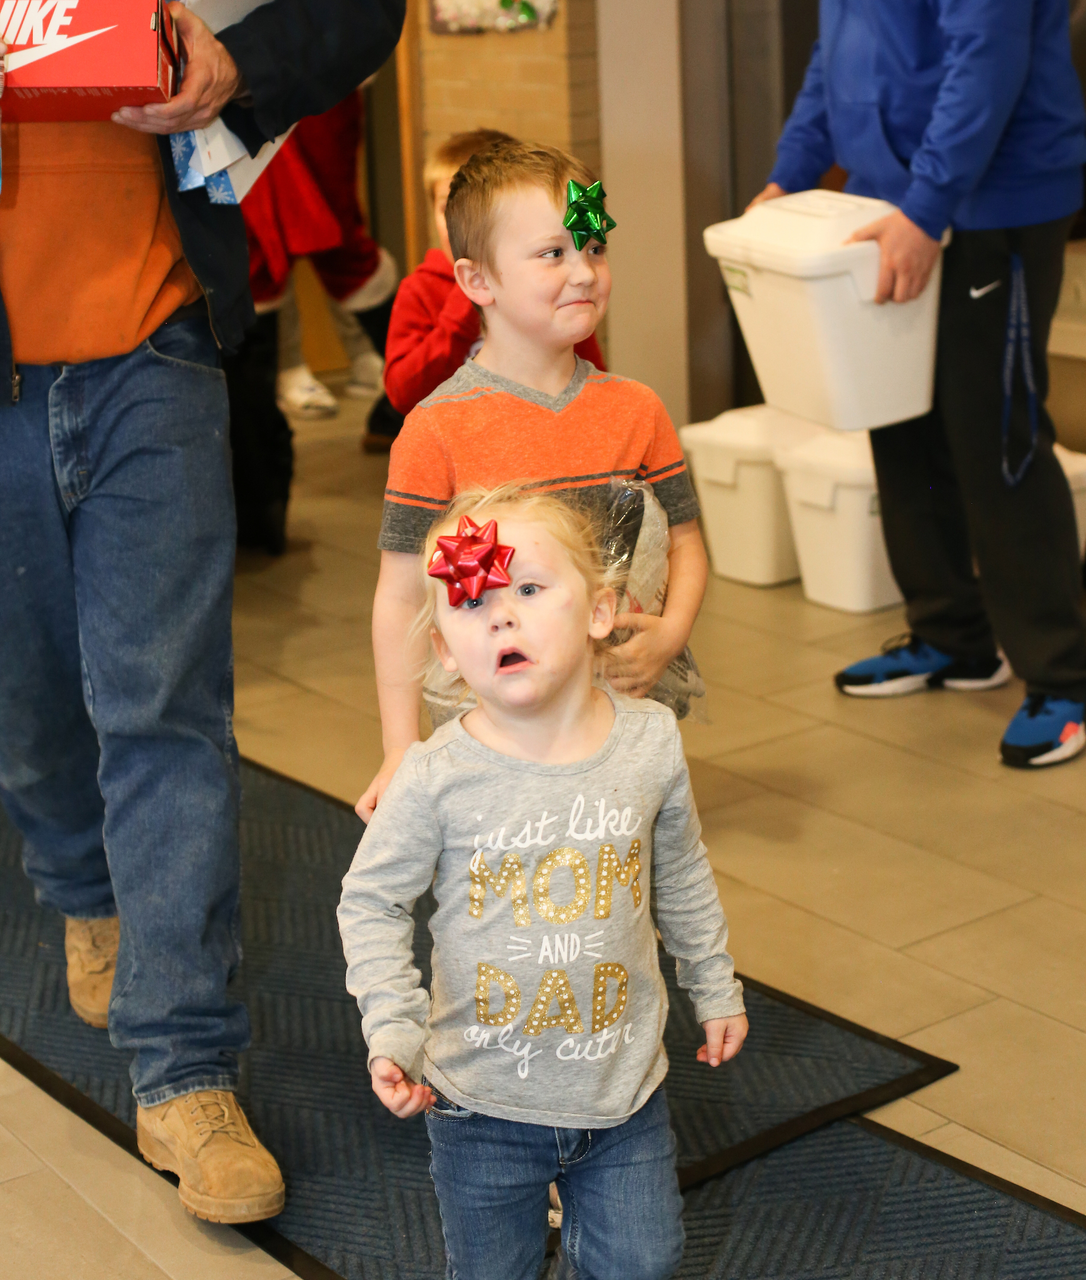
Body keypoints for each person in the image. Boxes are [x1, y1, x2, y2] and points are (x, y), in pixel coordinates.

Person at [0, 0, 404, 1223]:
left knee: (167, 708)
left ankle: (185, 1070)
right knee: (25, 708)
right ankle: (84, 885)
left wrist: (238, 66)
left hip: (156, 346)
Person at [338, 485, 747, 1280]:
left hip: (623, 1090)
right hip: (479, 1102)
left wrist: (714, 982)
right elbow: (373, 899)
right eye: (473, 601)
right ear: (448, 653)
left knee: (645, 1262)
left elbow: (684, 873)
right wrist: (392, 1026)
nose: (502, 616)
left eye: (528, 589)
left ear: (600, 610)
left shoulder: (650, 744)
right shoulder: (435, 778)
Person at [751, 0, 1086, 768]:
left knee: (995, 432)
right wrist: (788, 174)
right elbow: (832, 58)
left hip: (992, 200)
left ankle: (1063, 677)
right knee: (900, 421)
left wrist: (926, 206)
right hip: (890, 199)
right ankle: (953, 637)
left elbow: (987, 58)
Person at [359, 142, 709, 820]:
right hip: (488, 738)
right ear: (477, 280)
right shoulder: (435, 431)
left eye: (595, 247)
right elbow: (401, 597)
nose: (584, 271)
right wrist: (400, 745)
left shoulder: (638, 410)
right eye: (553, 254)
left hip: (621, 727)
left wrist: (670, 632)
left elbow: (688, 544)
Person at [383, 128, 606, 417]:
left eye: (596, 250)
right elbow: (403, 394)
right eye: (447, 209)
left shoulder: (558, 294)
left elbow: (590, 385)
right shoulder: (421, 290)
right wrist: (460, 311)